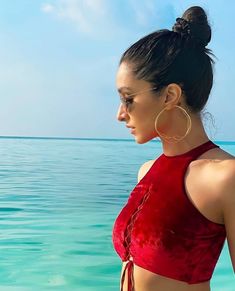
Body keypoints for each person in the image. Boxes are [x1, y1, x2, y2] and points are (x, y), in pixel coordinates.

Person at [112, 6, 235, 291]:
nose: (120, 114)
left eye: (128, 99)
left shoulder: (225, 177)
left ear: (169, 95)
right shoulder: (146, 172)